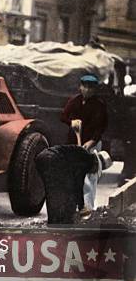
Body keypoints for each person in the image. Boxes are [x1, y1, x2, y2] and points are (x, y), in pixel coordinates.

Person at [60, 74, 108, 215]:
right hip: (74, 144)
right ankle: (73, 208)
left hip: (91, 145)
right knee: (73, 176)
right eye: (85, 87)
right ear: (80, 87)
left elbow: (102, 127)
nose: (87, 90)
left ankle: (87, 210)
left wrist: (92, 141)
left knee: (89, 177)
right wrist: (71, 122)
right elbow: (63, 116)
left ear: (95, 89)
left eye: (90, 88)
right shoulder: (74, 101)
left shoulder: (99, 105)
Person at [36, 145, 112, 225]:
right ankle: (59, 223)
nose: (93, 172)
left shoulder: (83, 156)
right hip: (52, 159)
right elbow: (78, 185)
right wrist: (81, 207)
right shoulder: (86, 160)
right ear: (96, 163)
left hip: (43, 158)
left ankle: (54, 222)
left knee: (53, 192)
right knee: (63, 193)